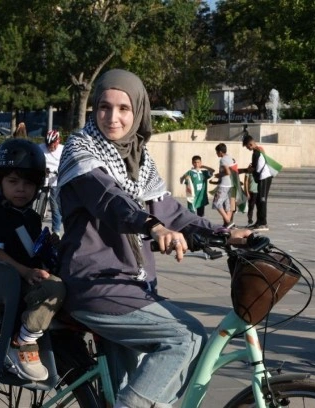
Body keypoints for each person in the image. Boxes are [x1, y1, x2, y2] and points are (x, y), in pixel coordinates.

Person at [56, 69, 252, 408]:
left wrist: (225, 233)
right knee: (186, 336)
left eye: (123, 109)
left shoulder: (139, 159)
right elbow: (111, 201)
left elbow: (172, 212)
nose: (112, 118)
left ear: (139, 112)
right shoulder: (81, 150)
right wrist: (153, 227)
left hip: (132, 284)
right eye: (104, 107)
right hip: (95, 284)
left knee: (124, 387)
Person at [0, 139, 65, 382]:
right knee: (55, 288)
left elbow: (35, 251)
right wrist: (26, 271)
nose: (21, 189)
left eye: (28, 183)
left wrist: (53, 246)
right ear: (0, 182)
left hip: (32, 278)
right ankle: (23, 342)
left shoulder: (32, 217)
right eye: (13, 182)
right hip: (12, 282)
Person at [242, 134, 273, 231]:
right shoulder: (259, 150)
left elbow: (254, 168)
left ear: (250, 144)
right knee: (259, 200)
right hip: (263, 177)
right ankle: (259, 222)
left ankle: (263, 223)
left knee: (262, 200)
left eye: (247, 147)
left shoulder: (256, 153)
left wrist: (243, 170)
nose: (247, 149)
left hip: (265, 177)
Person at [38, 129, 64, 234]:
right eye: (48, 145)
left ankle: (56, 232)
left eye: (53, 145)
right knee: (33, 199)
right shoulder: (40, 148)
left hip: (56, 179)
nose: (50, 147)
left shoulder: (63, 150)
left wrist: (60, 171)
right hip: (43, 177)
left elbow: (67, 163)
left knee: (55, 206)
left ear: (58, 141)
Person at [212, 143, 236, 228]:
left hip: (224, 185)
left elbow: (228, 172)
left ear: (220, 152)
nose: (216, 154)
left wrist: (218, 175)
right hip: (230, 185)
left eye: (217, 152)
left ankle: (228, 221)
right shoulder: (230, 158)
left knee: (217, 203)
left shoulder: (223, 160)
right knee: (227, 205)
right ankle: (227, 224)